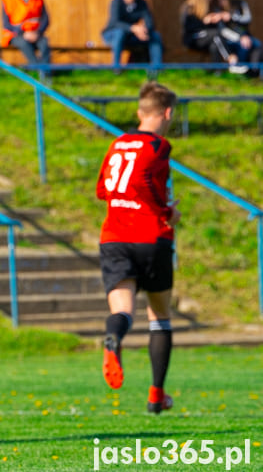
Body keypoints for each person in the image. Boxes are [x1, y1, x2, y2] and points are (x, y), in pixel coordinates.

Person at [96, 81, 180, 415]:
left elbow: (103, 188)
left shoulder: (118, 143)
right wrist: (167, 211)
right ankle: (156, 396)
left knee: (123, 311)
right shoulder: (159, 146)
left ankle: (114, 338)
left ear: (138, 112)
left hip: (114, 236)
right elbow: (145, 182)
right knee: (160, 316)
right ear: (168, 113)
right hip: (151, 235)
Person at [101, 0, 163, 75]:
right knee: (119, 33)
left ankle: (157, 69)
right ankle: (116, 68)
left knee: (155, 36)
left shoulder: (141, 3)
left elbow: (150, 23)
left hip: (131, 36)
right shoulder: (116, 2)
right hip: (111, 35)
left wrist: (143, 30)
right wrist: (133, 28)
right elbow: (115, 23)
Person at [1, 0, 51, 70]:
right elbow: (6, 24)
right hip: (16, 35)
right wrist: (23, 33)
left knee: (44, 43)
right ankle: (37, 70)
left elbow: (45, 19)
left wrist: (38, 32)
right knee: (24, 44)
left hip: (35, 33)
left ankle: (46, 75)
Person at [214, 0, 262, 75]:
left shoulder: (240, 4)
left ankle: (254, 72)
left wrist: (232, 17)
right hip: (230, 39)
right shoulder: (218, 9)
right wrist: (240, 37)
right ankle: (238, 69)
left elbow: (248, 19)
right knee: (243, 45)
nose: (221, 2)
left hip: (246, 35)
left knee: (258, 45)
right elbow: (222, 31)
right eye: (218, 0)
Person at [180, 0, 231, 65]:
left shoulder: (209, 7)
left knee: (214, 45)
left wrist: (215, 19)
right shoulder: (189, 7)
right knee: (216, 34)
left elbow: (211, 28)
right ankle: (230, 59)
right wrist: (204, 22)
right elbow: (188, 27)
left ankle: (217, 72)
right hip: (193, 38)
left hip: (207, 37)